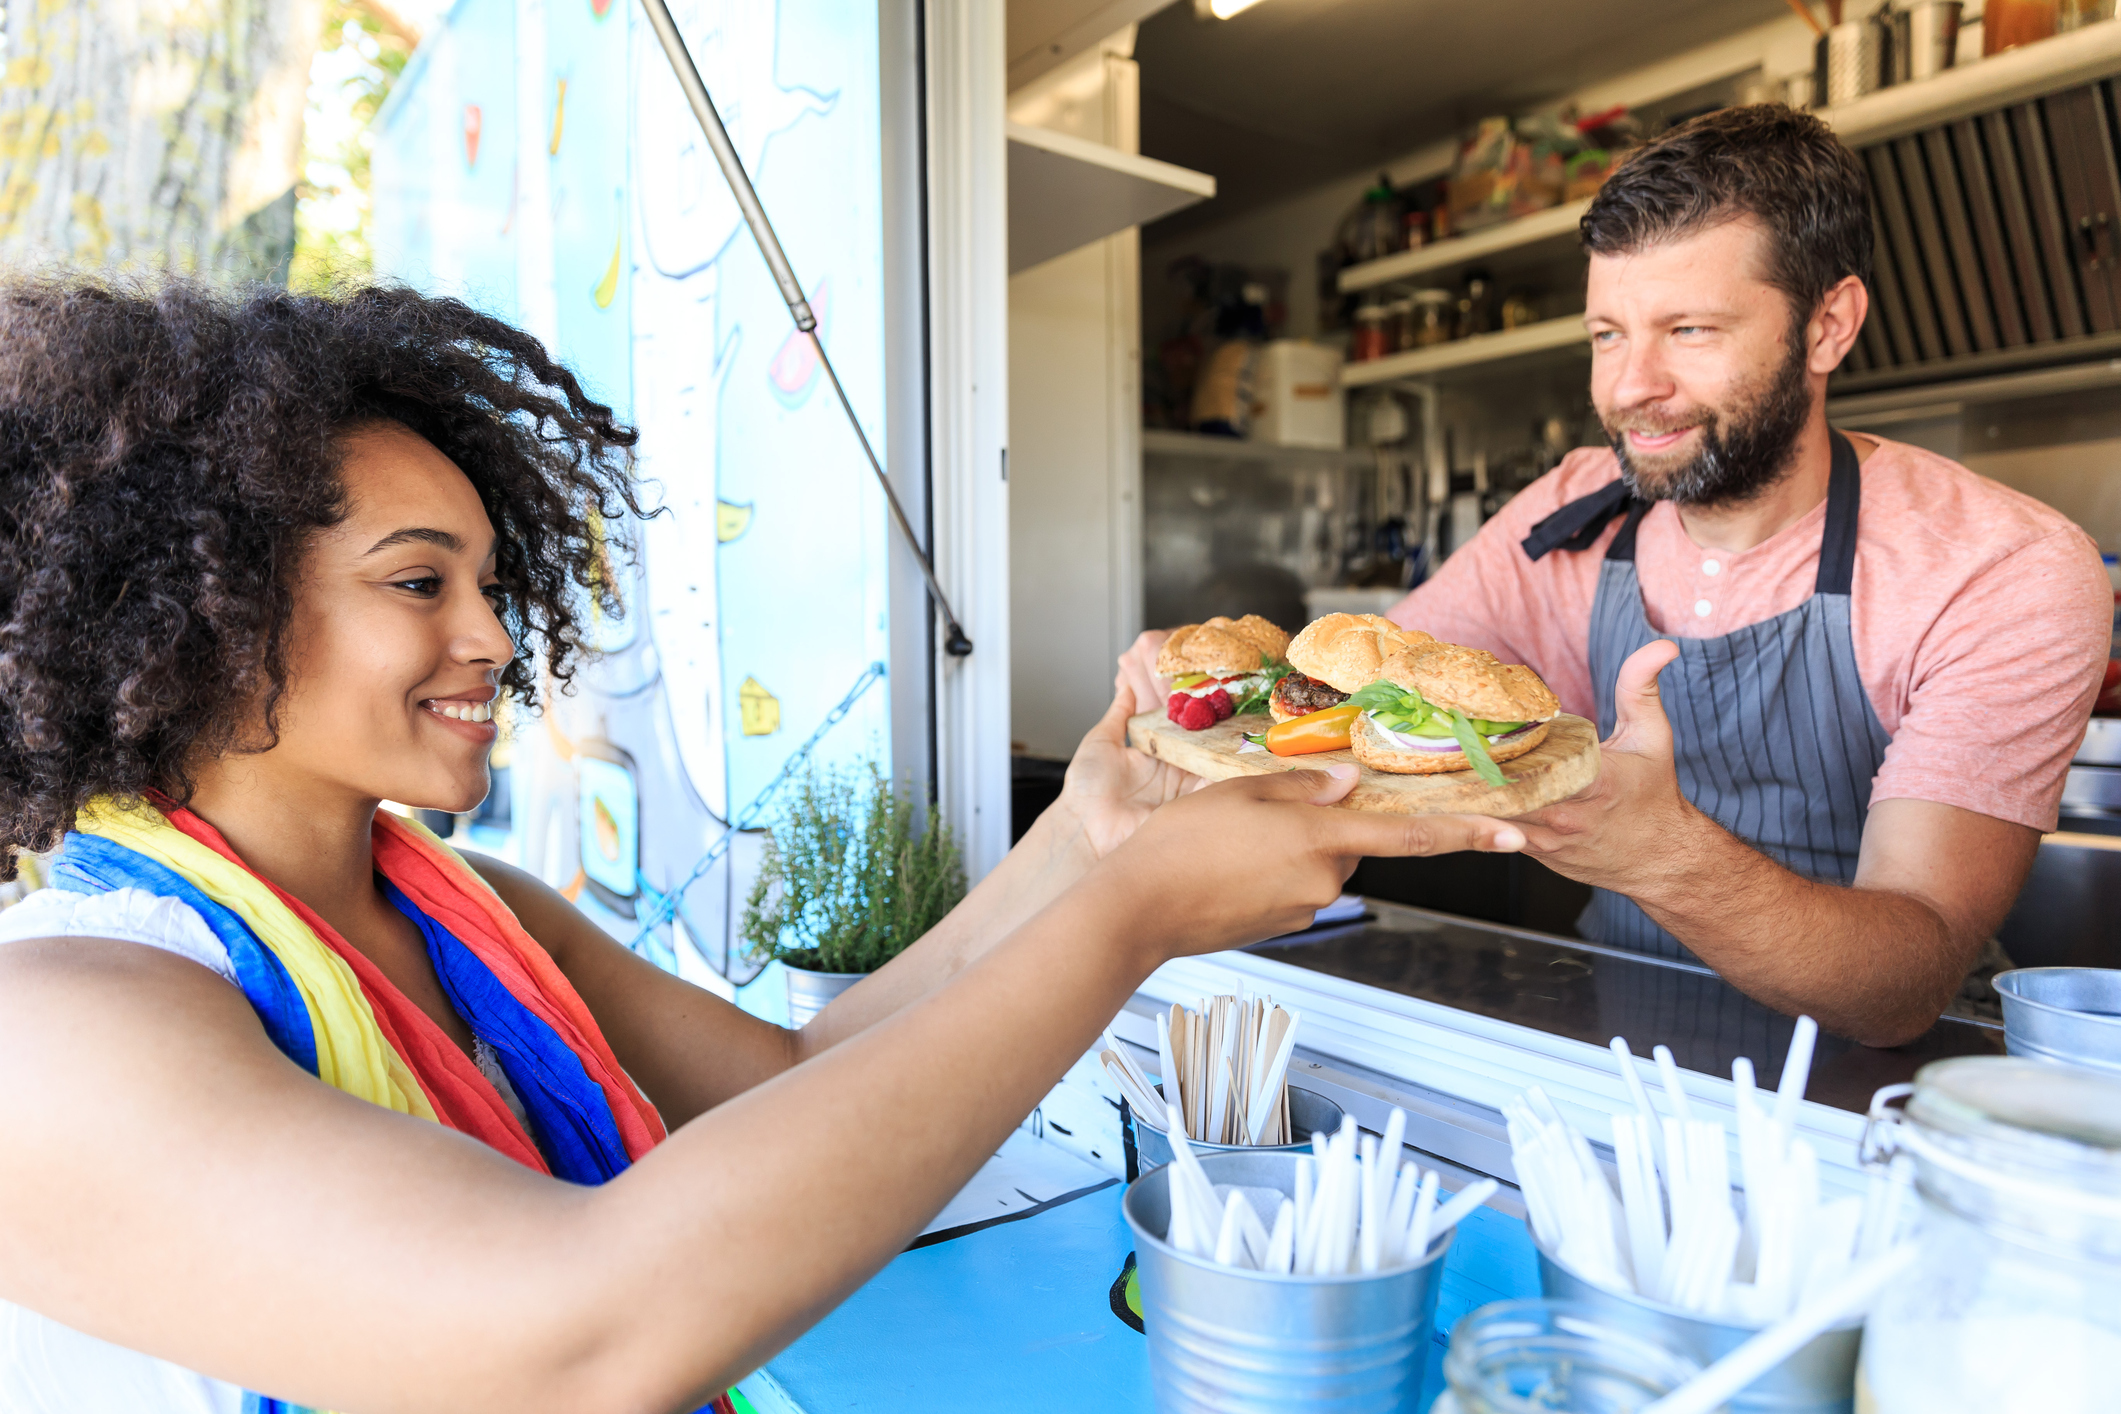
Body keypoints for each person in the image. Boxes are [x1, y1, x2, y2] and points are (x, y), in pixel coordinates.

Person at [0, 276, 1525, 1414]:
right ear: (199, 605)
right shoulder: (63, 1026)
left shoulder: (467, 904)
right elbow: (579, 1335)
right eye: (419, 580)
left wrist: (1082, 840)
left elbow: (798, 1079)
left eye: (489, 575)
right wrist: (1122, 918)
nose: (491, 637)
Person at [1123, 106, 2111, 1050]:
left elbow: (1908, 979)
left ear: (1828, 326)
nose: (1629, 387)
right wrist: (1229, 688)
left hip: (1878, 1098)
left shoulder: (1997, 565)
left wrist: (1661, 854)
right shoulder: (1577, 506)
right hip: (1616, 1048)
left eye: (1689, 330)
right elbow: (1370, 689)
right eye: (1608, 334)